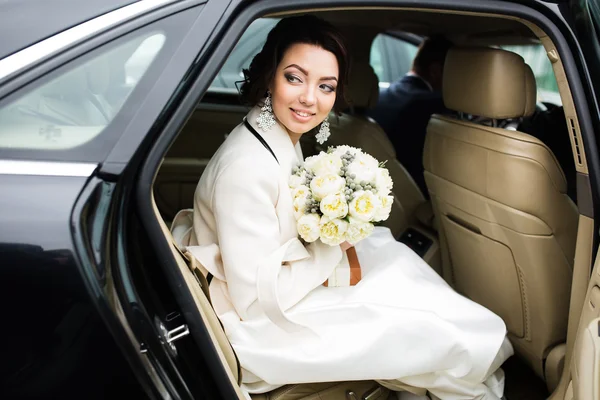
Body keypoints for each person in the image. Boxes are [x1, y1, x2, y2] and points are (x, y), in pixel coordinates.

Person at [173, 16, 512, 399]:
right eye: (295, 78)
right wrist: (329, 251)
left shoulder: (273, 131)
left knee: (391, 257)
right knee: (437, 333)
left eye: (326, 86)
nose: (309, 99)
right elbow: (252, 302)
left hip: (273, 286)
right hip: (262, 327)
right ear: (270, 77)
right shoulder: (247, 167)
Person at [368, 36, 454, 196]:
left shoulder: (379, 97)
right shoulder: (434, 105)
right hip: (414, 195)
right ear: (436, 71)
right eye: (458, 74)